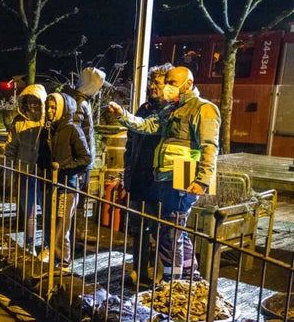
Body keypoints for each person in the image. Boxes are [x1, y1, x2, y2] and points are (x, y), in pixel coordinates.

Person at [108, 66, 220, 283]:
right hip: (167, 174)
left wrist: (202, 181)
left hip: (184, 172)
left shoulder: (203, 108)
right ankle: (188, 276)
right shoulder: (173, 109)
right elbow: (147, 125)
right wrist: (122, 115)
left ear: (188, 84)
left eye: (172, 83)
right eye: (165, 81)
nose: (166, 87)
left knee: (170, 230)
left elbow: (210, 147)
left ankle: (173, 283)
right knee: (175, 228)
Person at [123, 63, 173, 285]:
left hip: (158, 184)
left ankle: (158, 273)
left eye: (158, 83)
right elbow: (130, 143)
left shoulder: (172, 112)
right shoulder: (143, 109)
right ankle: (139, 270)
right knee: (138, 229)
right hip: (138, 180)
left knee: (160, 230)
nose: (153, 87)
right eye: (152, 82)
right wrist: (127, 173)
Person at [37, 92, 92, 274]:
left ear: (63, 109)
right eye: (48, 107)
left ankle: (63, 260)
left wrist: (63, 168)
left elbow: (85, 158)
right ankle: (49, 250)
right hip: (48, 183)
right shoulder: (47, 129)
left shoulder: (72, 130)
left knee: (61, 224)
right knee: (47, 220)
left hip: (66, 185)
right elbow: (42, 156)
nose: (50, 111)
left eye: (54, 108)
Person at [5, 83, 47, 254]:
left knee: (46, 211)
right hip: (24, 170)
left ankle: (46, 245)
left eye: (36, 101)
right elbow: (11, 145)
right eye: (29, 101)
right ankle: (30, 244)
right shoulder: (19, 122)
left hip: (43, 172)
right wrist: (10, 166)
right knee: (29, 211)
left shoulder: (47, 123)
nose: (33, 105)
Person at [66, 67, 106, 241]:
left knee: (79, 198)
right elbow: (76, 135)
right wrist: (82, 160)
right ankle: (74, 234)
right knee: (76, 199)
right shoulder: (79, 103)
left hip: (83, 161)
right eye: (98, 85)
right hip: (80, 162)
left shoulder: (81, 101)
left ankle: (76, 232)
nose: (100, 90)